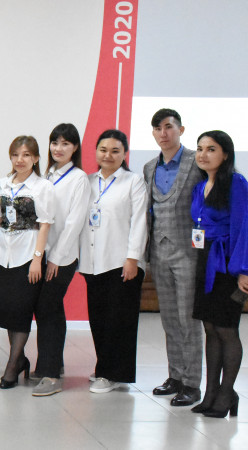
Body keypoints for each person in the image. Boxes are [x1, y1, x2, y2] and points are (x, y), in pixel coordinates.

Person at [79, 129, 148, 394]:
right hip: (93, 262)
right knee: (98, 319)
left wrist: (133, 258)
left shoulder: (133, 182)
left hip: (121, 263)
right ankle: (104, 367)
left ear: (124, 154)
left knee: (120, 321)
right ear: (96, 151)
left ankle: (113, 374)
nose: (108, 155)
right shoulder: (88, 181)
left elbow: (140, 221)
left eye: (115, 151)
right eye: (103, 150)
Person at [142, 108, 204, 406]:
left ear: (181, 129)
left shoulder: (197, 161)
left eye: (168, 127)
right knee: (168, 319)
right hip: (159, 252)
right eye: (158, 128)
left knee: (188, 319)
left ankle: (192, 383)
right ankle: (176, 376)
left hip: (189, 252)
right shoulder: (149, 167)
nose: (163, 133)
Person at [0, 136, 54, 389]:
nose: (20, 160)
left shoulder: (42, 187)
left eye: (26, 155)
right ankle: (20, 358)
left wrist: (37, 259)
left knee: (22, 311)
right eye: (15, 155)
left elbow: (45, 225)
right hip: (3, 254)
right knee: (8, 312)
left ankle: (12, 365)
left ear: (35, 158)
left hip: (27, 255)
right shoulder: (2, 184)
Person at [189, 131, 248, 418]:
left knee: (226, 329)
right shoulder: (200, 186)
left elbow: (244, 227)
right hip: (204, 262)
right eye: (200, 148)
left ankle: (227, 394)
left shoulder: (236, 183)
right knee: (210, 329)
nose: (203, 154)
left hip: (228, 264)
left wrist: (244, 270)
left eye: (211, 149)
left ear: (225, 154)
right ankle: (211, 393)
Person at [31, 124, 91, 396]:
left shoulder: (79, 179)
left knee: (47, 308)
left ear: (75, 147)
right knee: (50, 309)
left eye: (65, 143)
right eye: (55, 142)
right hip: (41, 254)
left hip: (62, 257)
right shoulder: (46, 175)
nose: (58, 148)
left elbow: (74, 223)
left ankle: (51, 374)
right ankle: (53, 363)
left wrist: (55, 258)